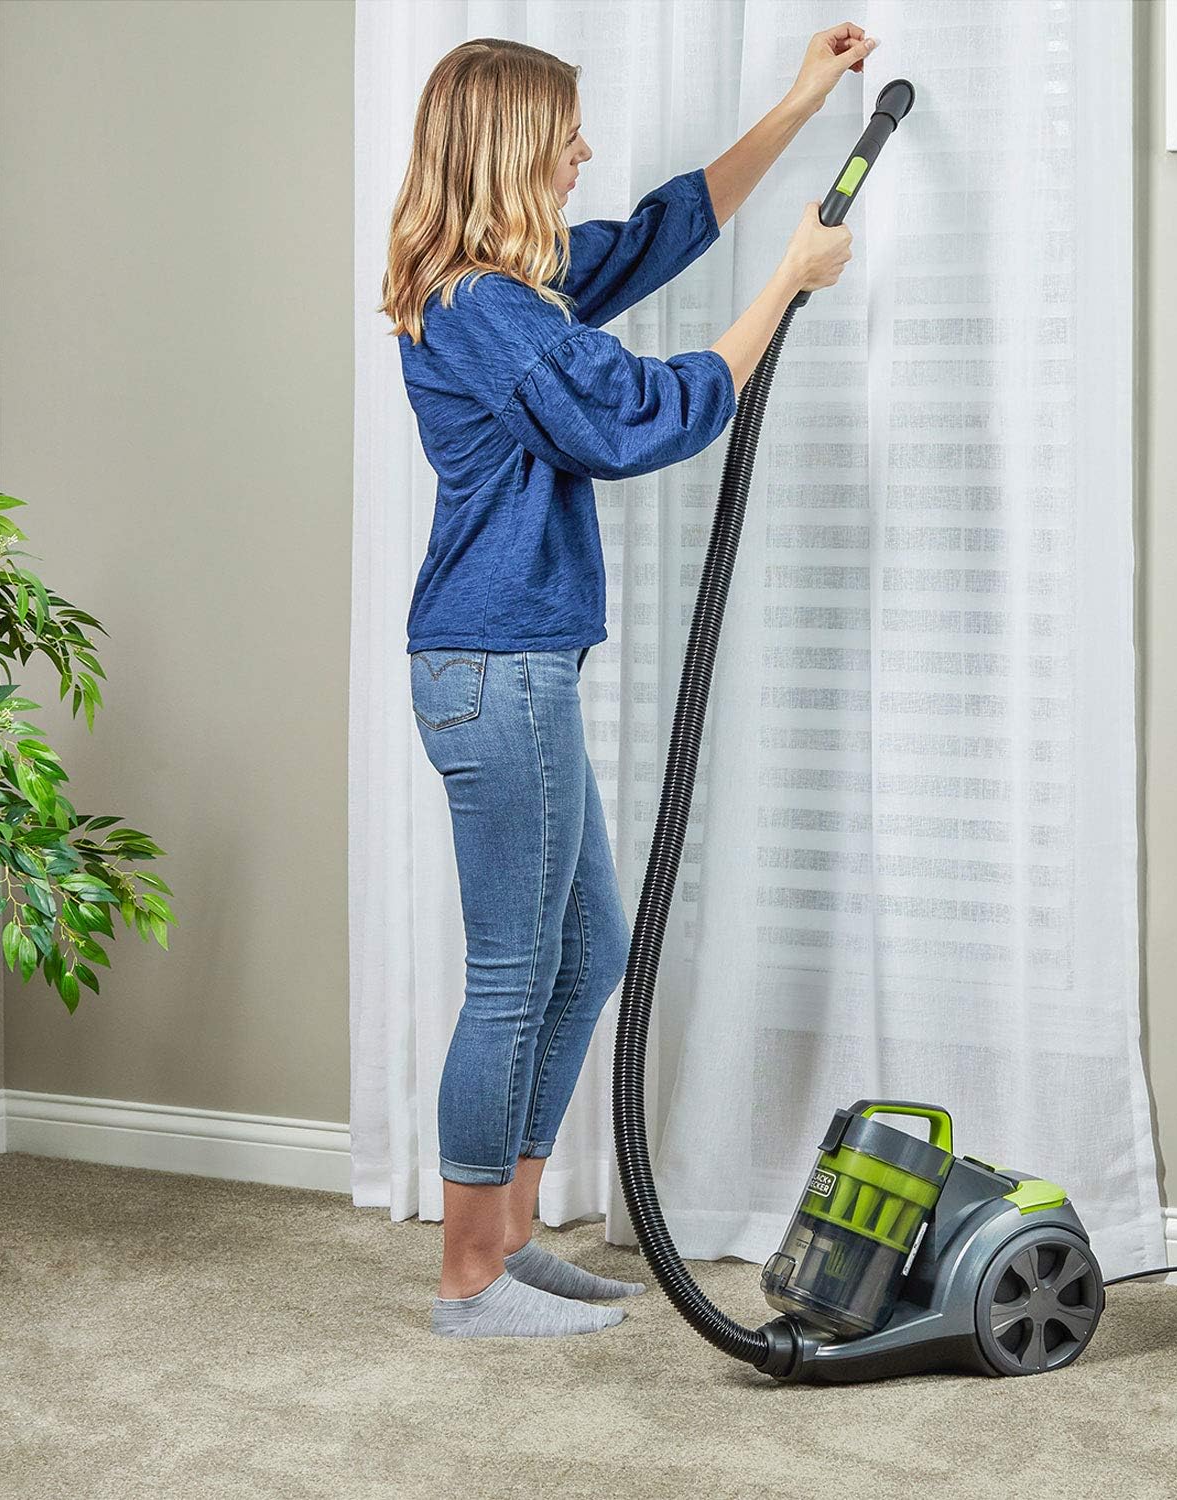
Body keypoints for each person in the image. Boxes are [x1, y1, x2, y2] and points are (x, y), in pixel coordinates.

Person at [382, 23, 870, 1339]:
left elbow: (657, 233)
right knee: (511, 975)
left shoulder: (511, 289)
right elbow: (635, 417)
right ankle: (469, 1277)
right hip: (497, 671)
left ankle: (510, 1237)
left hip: (509, 666)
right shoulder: (488, 309)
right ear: (508, 149)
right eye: (565, 134)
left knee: (584, 947)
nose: (585, 150)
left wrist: (798, 104)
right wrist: (788, 282)